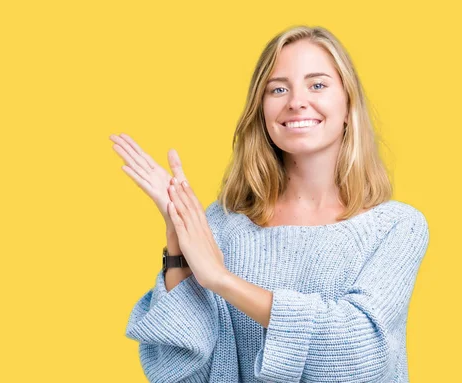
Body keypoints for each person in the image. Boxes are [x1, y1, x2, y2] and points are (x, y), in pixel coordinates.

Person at [111, 25, 429, 383]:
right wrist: (178, 239)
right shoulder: (224, 224)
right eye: (278, 89)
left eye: (318, 85)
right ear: (261, 111)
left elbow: (359, 354)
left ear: (348, 104)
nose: (296, 101)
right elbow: (178, 373)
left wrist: (222, 280)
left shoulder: (396, 227)